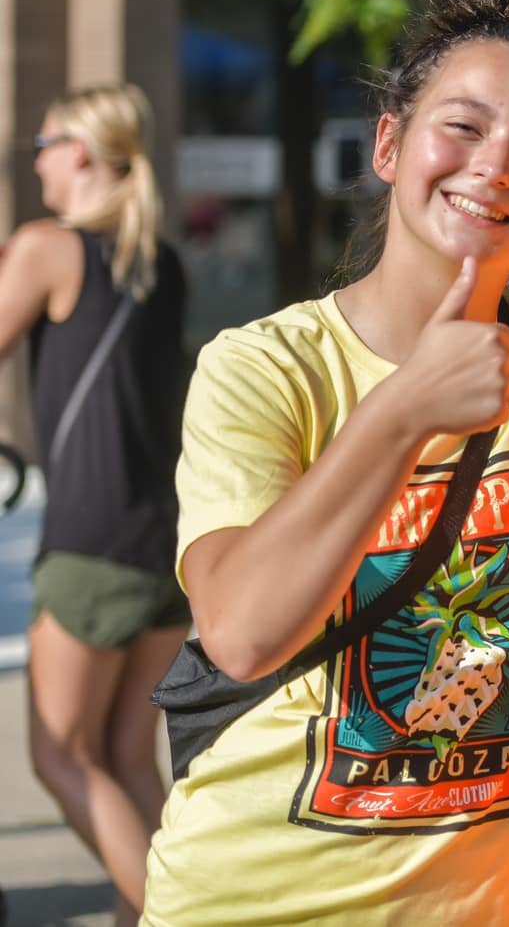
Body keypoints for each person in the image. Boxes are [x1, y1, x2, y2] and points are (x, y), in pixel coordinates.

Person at [142, 0, 509, 926]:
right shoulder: (263, 368)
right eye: (464, 127)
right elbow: (238, 630)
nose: (493, 168)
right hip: (245, 901)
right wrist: (404, 409)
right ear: (390, 143)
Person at [0, 84, 185, 927]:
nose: (33, 157)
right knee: (126, 760)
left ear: (77, 151)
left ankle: (177, 919)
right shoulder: (160, 262)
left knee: (60, 756)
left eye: (42, 141)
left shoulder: (48, 248)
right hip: (161, 545)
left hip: (89, 545)